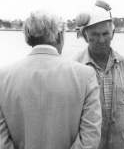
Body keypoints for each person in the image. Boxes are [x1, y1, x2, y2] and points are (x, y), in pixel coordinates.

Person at [0, 10, 102, 149]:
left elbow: (1, 141)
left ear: (28, 37)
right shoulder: (85, 75)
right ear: (59, 36)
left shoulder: (3, 76)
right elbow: (90, 138)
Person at [70, 0, 124, 149]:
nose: (101, 40)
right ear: (85, 36)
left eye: (106, 33)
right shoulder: (73, 66)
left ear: (113, 33)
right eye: (94, 34)